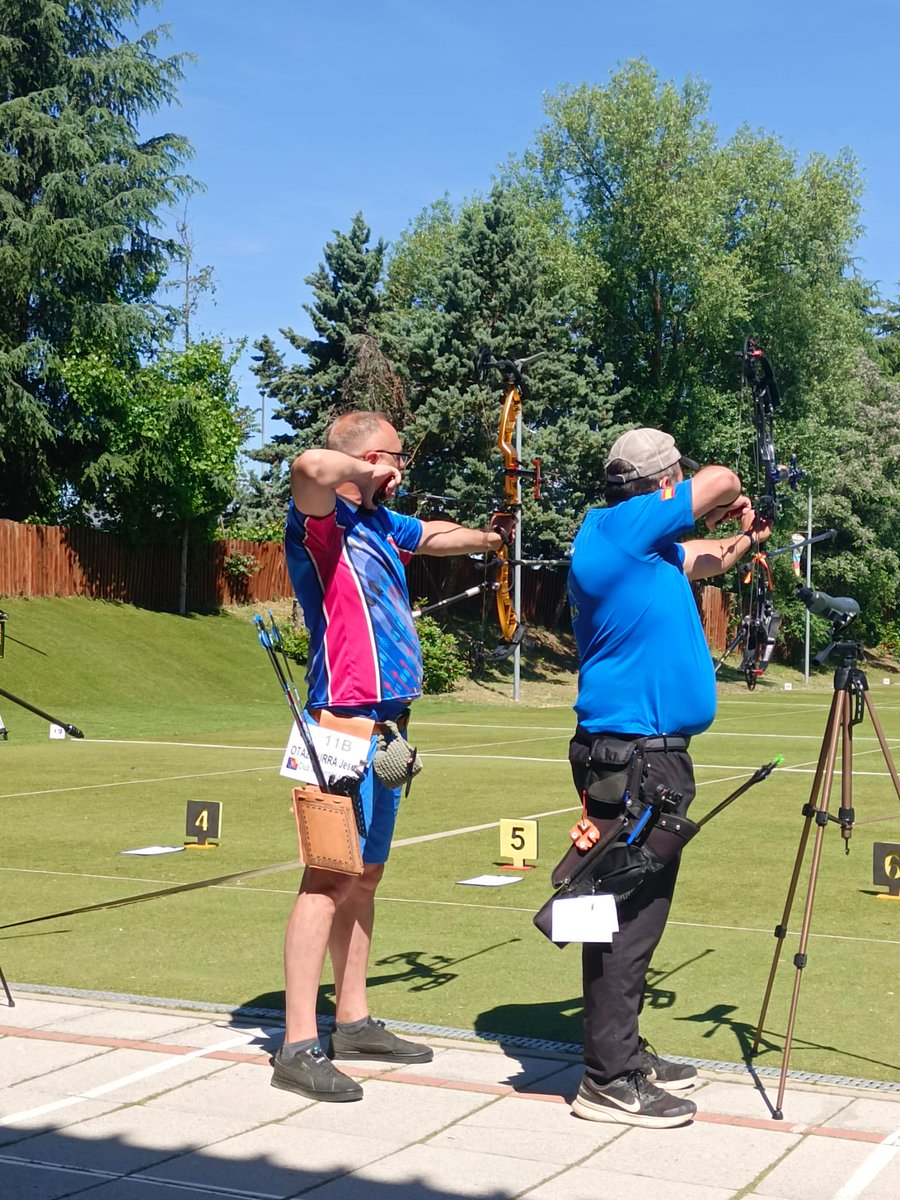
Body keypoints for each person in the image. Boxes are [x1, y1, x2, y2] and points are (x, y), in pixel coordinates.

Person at [271, 409, 510, 1103]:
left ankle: (351, 1020)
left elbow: (434, 536)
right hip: (337, 731)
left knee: (366, 878)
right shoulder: (322, 525)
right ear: (365, 460)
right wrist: (366, 466)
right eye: (391, 459)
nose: (400, 470)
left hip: (386, 733)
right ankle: (295, 1044)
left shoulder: (380, 524)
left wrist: (496, 535)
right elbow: (311, 468)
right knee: (324, 880)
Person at [566, 427, 772, 1129]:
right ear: (661, 483)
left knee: (632, 913)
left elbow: (703, 560)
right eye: (673, 481)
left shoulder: (640, 548)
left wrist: (748, 538)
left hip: (642, 760)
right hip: (634, 763)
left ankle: (619, 1050)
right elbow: (714, 481)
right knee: (626, 918)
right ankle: (609, 1077)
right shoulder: (623, 528)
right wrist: (731, 494)